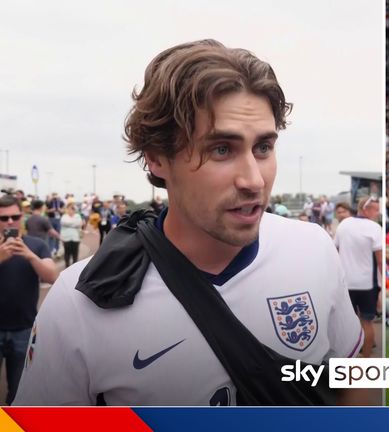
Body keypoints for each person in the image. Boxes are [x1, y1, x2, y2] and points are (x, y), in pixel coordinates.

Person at [14, 39, 362, 406]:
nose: (254, 180)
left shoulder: (314, 248)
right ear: (157, 158)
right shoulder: (77, 303)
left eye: (263, 148)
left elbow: (355, 373)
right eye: (222, 149)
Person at [0, 195, 59, 404]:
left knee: (18, 391)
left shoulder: (36, 244)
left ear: (22, 217)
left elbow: (51, 276)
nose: (9, 222)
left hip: (24, 329)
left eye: (14, 217)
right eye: (3, 218)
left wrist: (30, 256)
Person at [334, 196, 383, 358]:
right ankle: (366, 359)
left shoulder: (344, 225)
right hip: (366, 284)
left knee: (348, 325)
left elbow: (335, 252)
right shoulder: (375, 227)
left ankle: (350, 360)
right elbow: (380, 260)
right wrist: (383, 286)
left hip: (346, 283)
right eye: (375, 209)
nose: (378, 212)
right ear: (366, 209)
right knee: (366, 323)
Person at [59, 203, 84, 267]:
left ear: (74, 210)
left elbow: (79, 223)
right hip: (66, 237)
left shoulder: (77, 216)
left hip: (76, 237)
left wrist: (70, 224)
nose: (70, 211)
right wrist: (74, 224)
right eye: (69, 209)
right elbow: (64, 223)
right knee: (67, 252)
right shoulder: (64, 216)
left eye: (72, 209)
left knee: (75, 253)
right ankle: (67, 265)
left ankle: (74, 266)